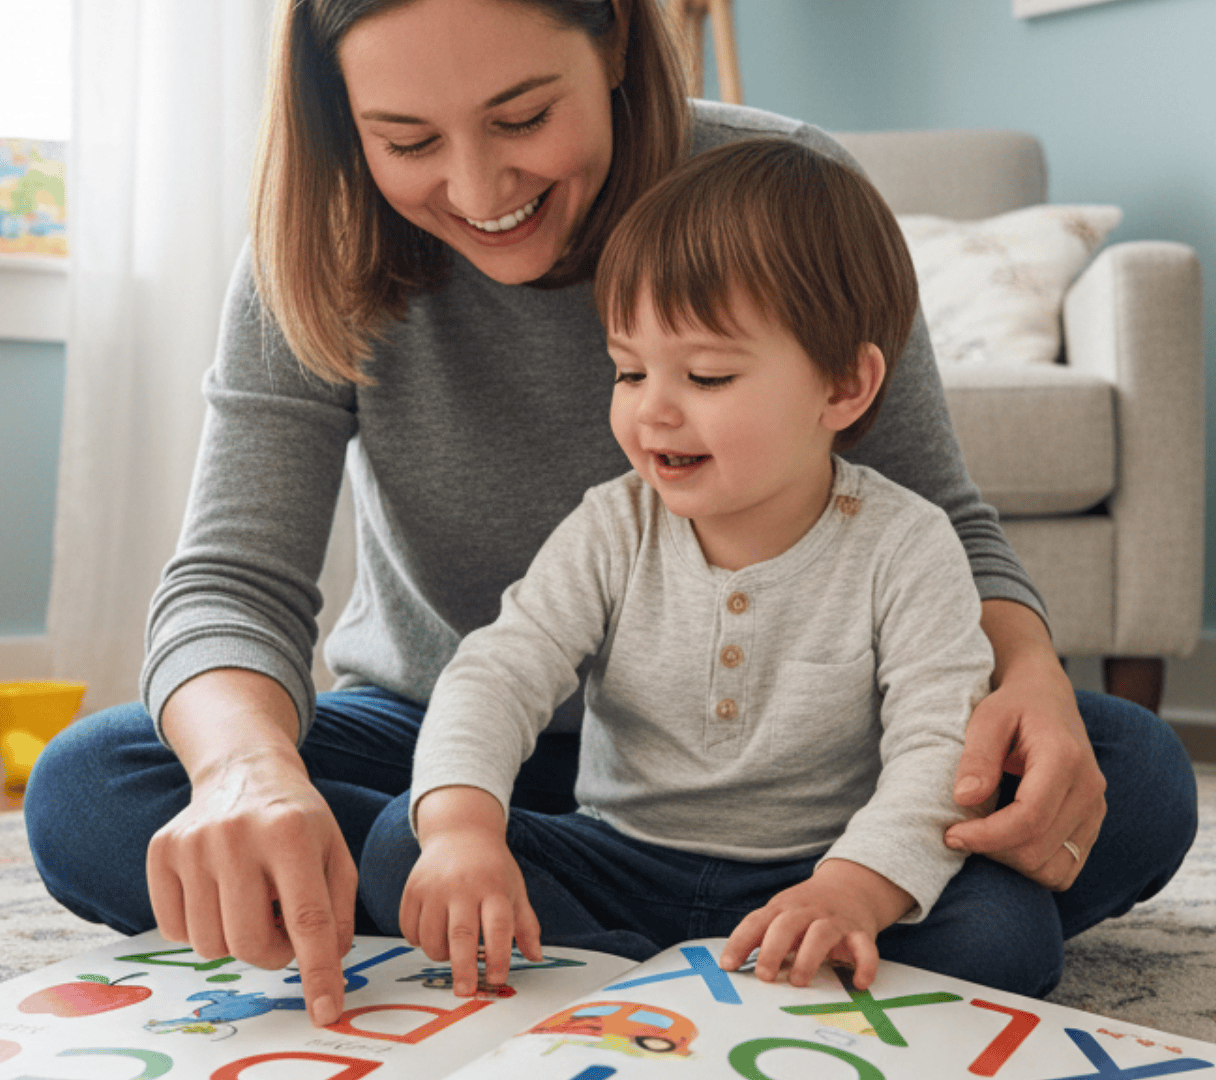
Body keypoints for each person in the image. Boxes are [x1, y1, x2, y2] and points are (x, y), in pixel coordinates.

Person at [23, 0, 1197, 1028]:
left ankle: (573, 926)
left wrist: (1029, 676)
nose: (479, 191)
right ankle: (538, 892)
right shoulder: (316, 249)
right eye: (408, 140)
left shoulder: (781, 202)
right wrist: (248, 778)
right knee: (95, 789)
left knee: (1129, 772)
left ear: (620, 45)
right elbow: (232, 582)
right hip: (454, 742)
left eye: (524, 117)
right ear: (344, 123)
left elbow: (938, 521)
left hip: (801, 775)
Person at [359, 137, 1004, 997]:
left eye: (704, 374)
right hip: (619, 856)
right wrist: (463, 831)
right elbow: (499, 672)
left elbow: (940, 744)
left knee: (1005, 939)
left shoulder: (906, 543)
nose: (651, 409)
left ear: (843, 387)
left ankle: (653, 969)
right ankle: (659, 971)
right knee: (404, 843)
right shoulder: (613, 524)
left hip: (816, 866)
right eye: (628, 370)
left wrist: (854, 887)